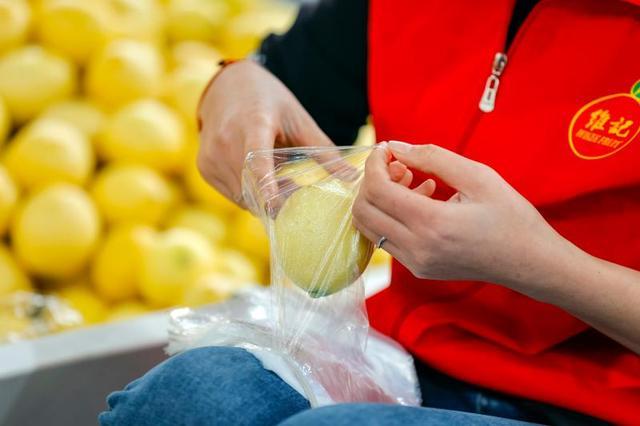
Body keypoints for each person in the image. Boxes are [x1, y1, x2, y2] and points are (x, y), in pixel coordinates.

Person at [100, 0, 640, 424]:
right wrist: (238, 84)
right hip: (415, 354)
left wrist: (537, 264)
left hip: (602, 404)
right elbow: (287, 77)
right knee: (191, 394)